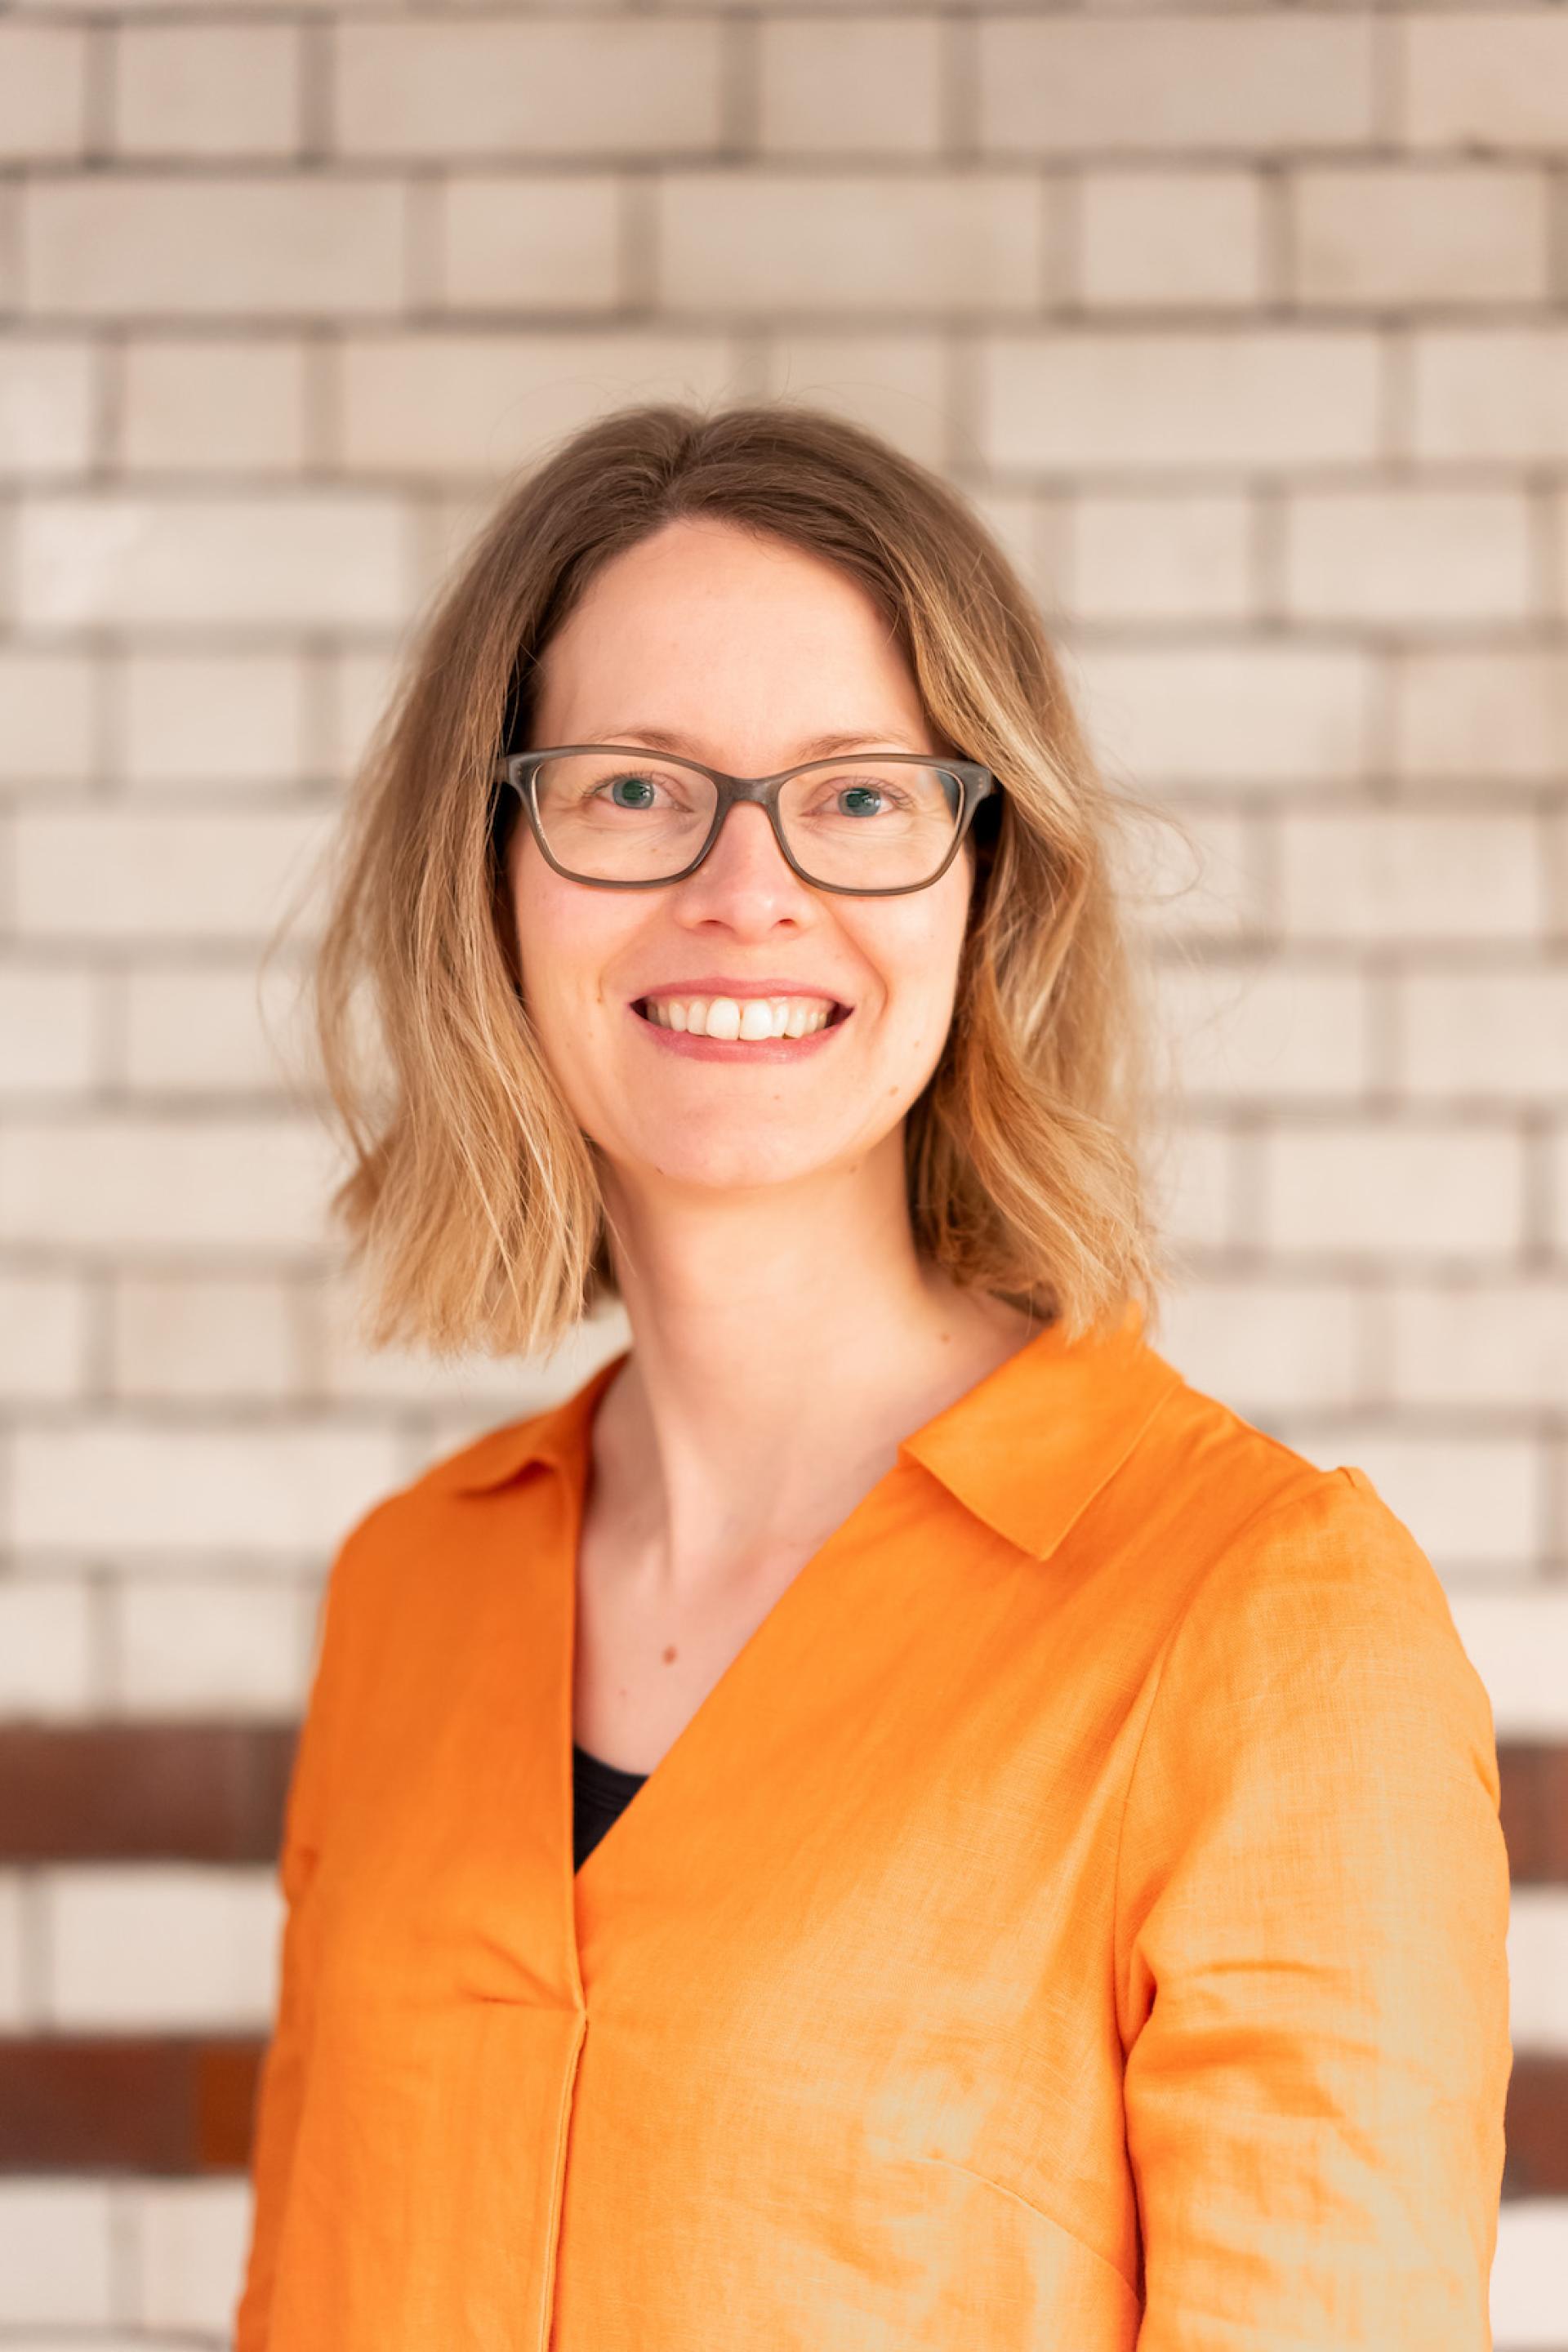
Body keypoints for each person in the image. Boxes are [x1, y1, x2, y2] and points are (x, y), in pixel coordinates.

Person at [236, 400, 1511, 2350]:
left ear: (987, 883)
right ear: (486, 870)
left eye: (857, 798)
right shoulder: (407, 1589)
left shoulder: (1264, 1618)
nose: (747, 890)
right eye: (633, 789)